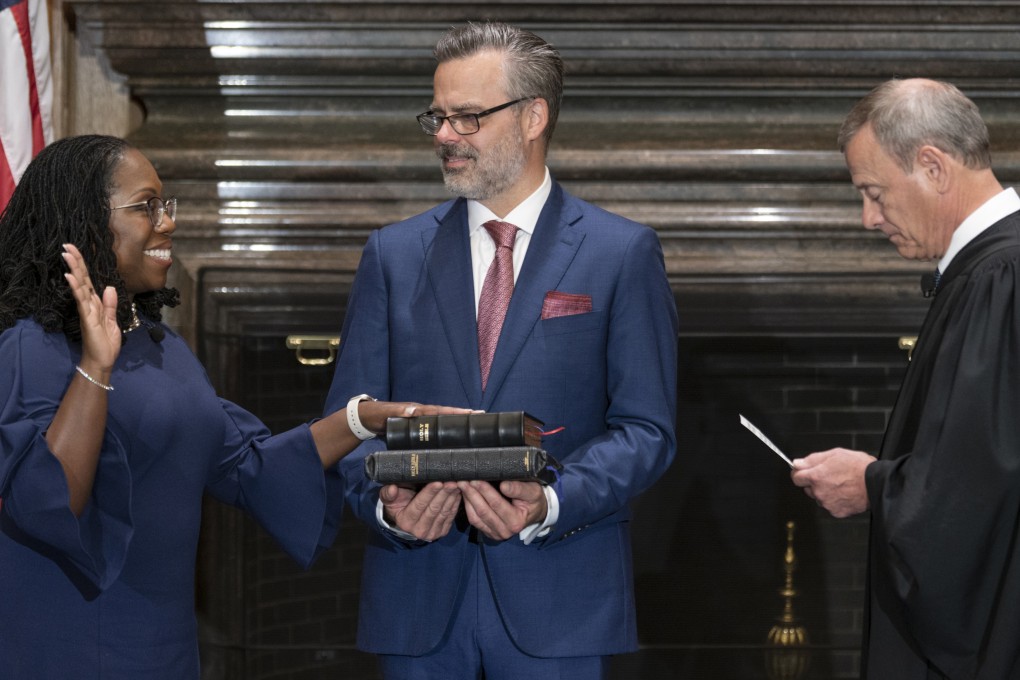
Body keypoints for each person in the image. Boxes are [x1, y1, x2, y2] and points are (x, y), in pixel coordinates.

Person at [0, 134, 469, 679]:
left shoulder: (159, 345)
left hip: (163, 646)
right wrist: (96, 368)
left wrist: (363, 420)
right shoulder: (31, 344)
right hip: (67, 645)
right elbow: (48, 502)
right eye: (146, 206)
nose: (168, 221)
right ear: (83, 219)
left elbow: (247, 466)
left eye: (166, 204)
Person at [323, 21, 678, 679]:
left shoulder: (621, 254)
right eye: (437, 116)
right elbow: (349, 423)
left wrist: (549, 500)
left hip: (562, 603)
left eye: (468, 118)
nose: (444, 136)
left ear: (534, 116)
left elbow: (647, 432)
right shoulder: (391, 255)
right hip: (417, 605)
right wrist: (387, 506)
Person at [791, 78, 1020, 679]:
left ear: (933, 166)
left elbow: (979, 485)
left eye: (874, 192)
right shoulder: (992, 270)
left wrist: (873, 484)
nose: (869, 218)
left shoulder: (999, 278)